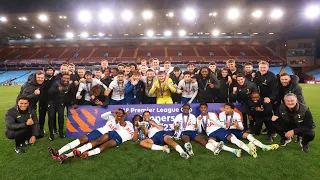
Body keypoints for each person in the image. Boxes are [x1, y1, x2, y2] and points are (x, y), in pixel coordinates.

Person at [48, 109, 125, 162]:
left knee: (88, 145)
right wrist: (112, 111)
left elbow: (119, 131)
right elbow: (102, 116)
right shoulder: (111, 117)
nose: (119, 114)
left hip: (105, 137)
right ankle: (59, 151)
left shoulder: (122, 124)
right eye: (118, 112)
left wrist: (118, 121)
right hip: (99, 131)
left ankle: (66, 156)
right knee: (82, 139)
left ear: (122, 115)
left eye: (121, 113)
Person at [47, 73, 72, 140]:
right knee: (51, 117)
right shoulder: (56, 83)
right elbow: (49, 92)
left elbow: (70, 93)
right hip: (52, 102)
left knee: (61, 117)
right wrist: (57, 89)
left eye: (68, 78)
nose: (66, 80)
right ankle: (51, 134)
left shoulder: (69, 84)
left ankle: (61, 133)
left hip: (60, 102)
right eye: (64, 78)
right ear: (61, 78)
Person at [38, 65, 55, 135]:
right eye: (48, 70)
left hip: (51, 100)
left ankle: (53, 129)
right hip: (42, 100)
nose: (50, 71)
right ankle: (41, 129)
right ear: (45, 71)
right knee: (42, 115)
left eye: (51, 70)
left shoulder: (55, 78)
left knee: (52, 116)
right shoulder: (42, 78)